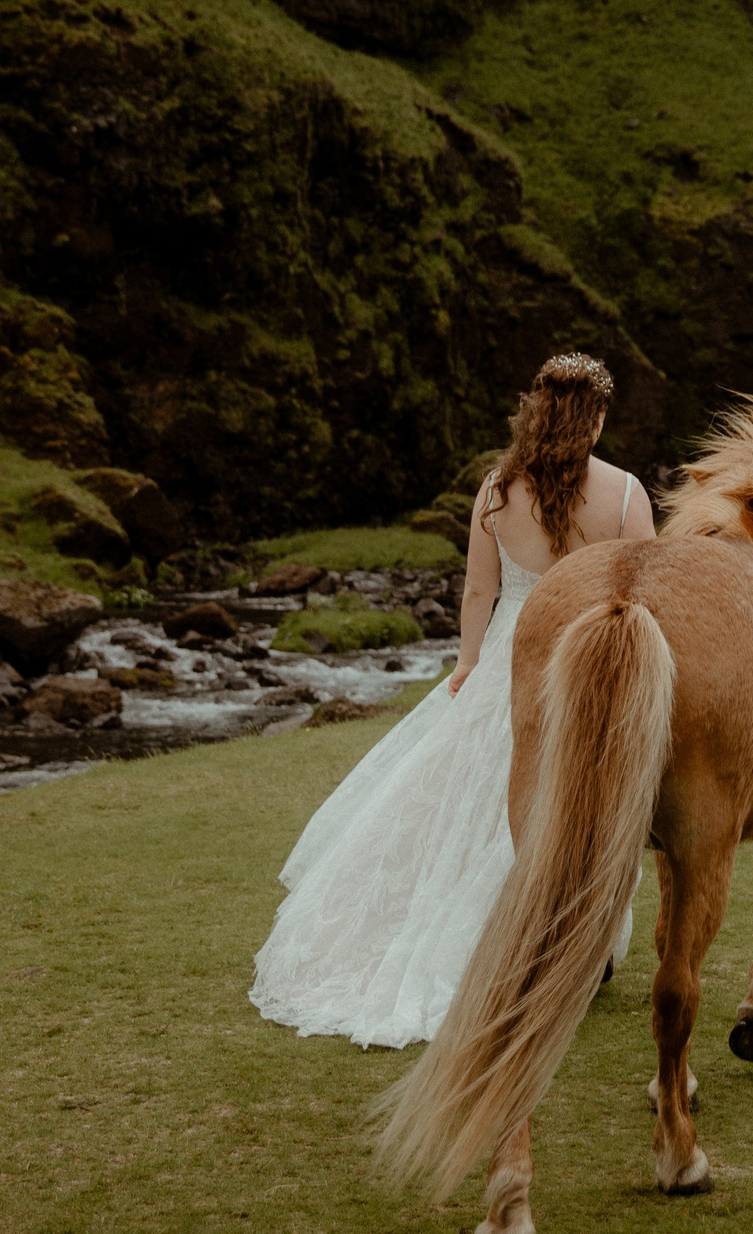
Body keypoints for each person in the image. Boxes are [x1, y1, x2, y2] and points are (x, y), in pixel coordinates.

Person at [249, 353, 655, 1048]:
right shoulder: (624, 496)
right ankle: (568, 949)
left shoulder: (497, 490)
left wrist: (469, 661)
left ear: (537, 410)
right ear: (595, 418)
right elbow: (650, 592)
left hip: (508, 658)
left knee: (474, 806)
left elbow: (478, 590)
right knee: (579, 799)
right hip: (587, 667)